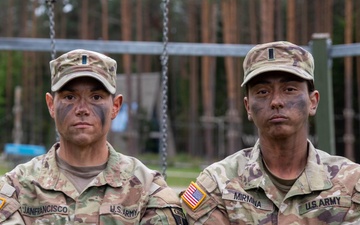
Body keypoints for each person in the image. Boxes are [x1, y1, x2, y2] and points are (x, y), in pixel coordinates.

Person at [181, 41, 360, 224]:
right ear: (248, 106)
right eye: (262, 92)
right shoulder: (217, 184)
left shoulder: (350, 184)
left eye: (289, 89)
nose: (276, 101)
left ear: (312, 101)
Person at [1, 49, 188, 224]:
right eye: (69, 97)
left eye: (96, 97)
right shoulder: (17, 187)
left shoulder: (147, 189)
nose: (82, 109)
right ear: (51, 104)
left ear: (115, 106)